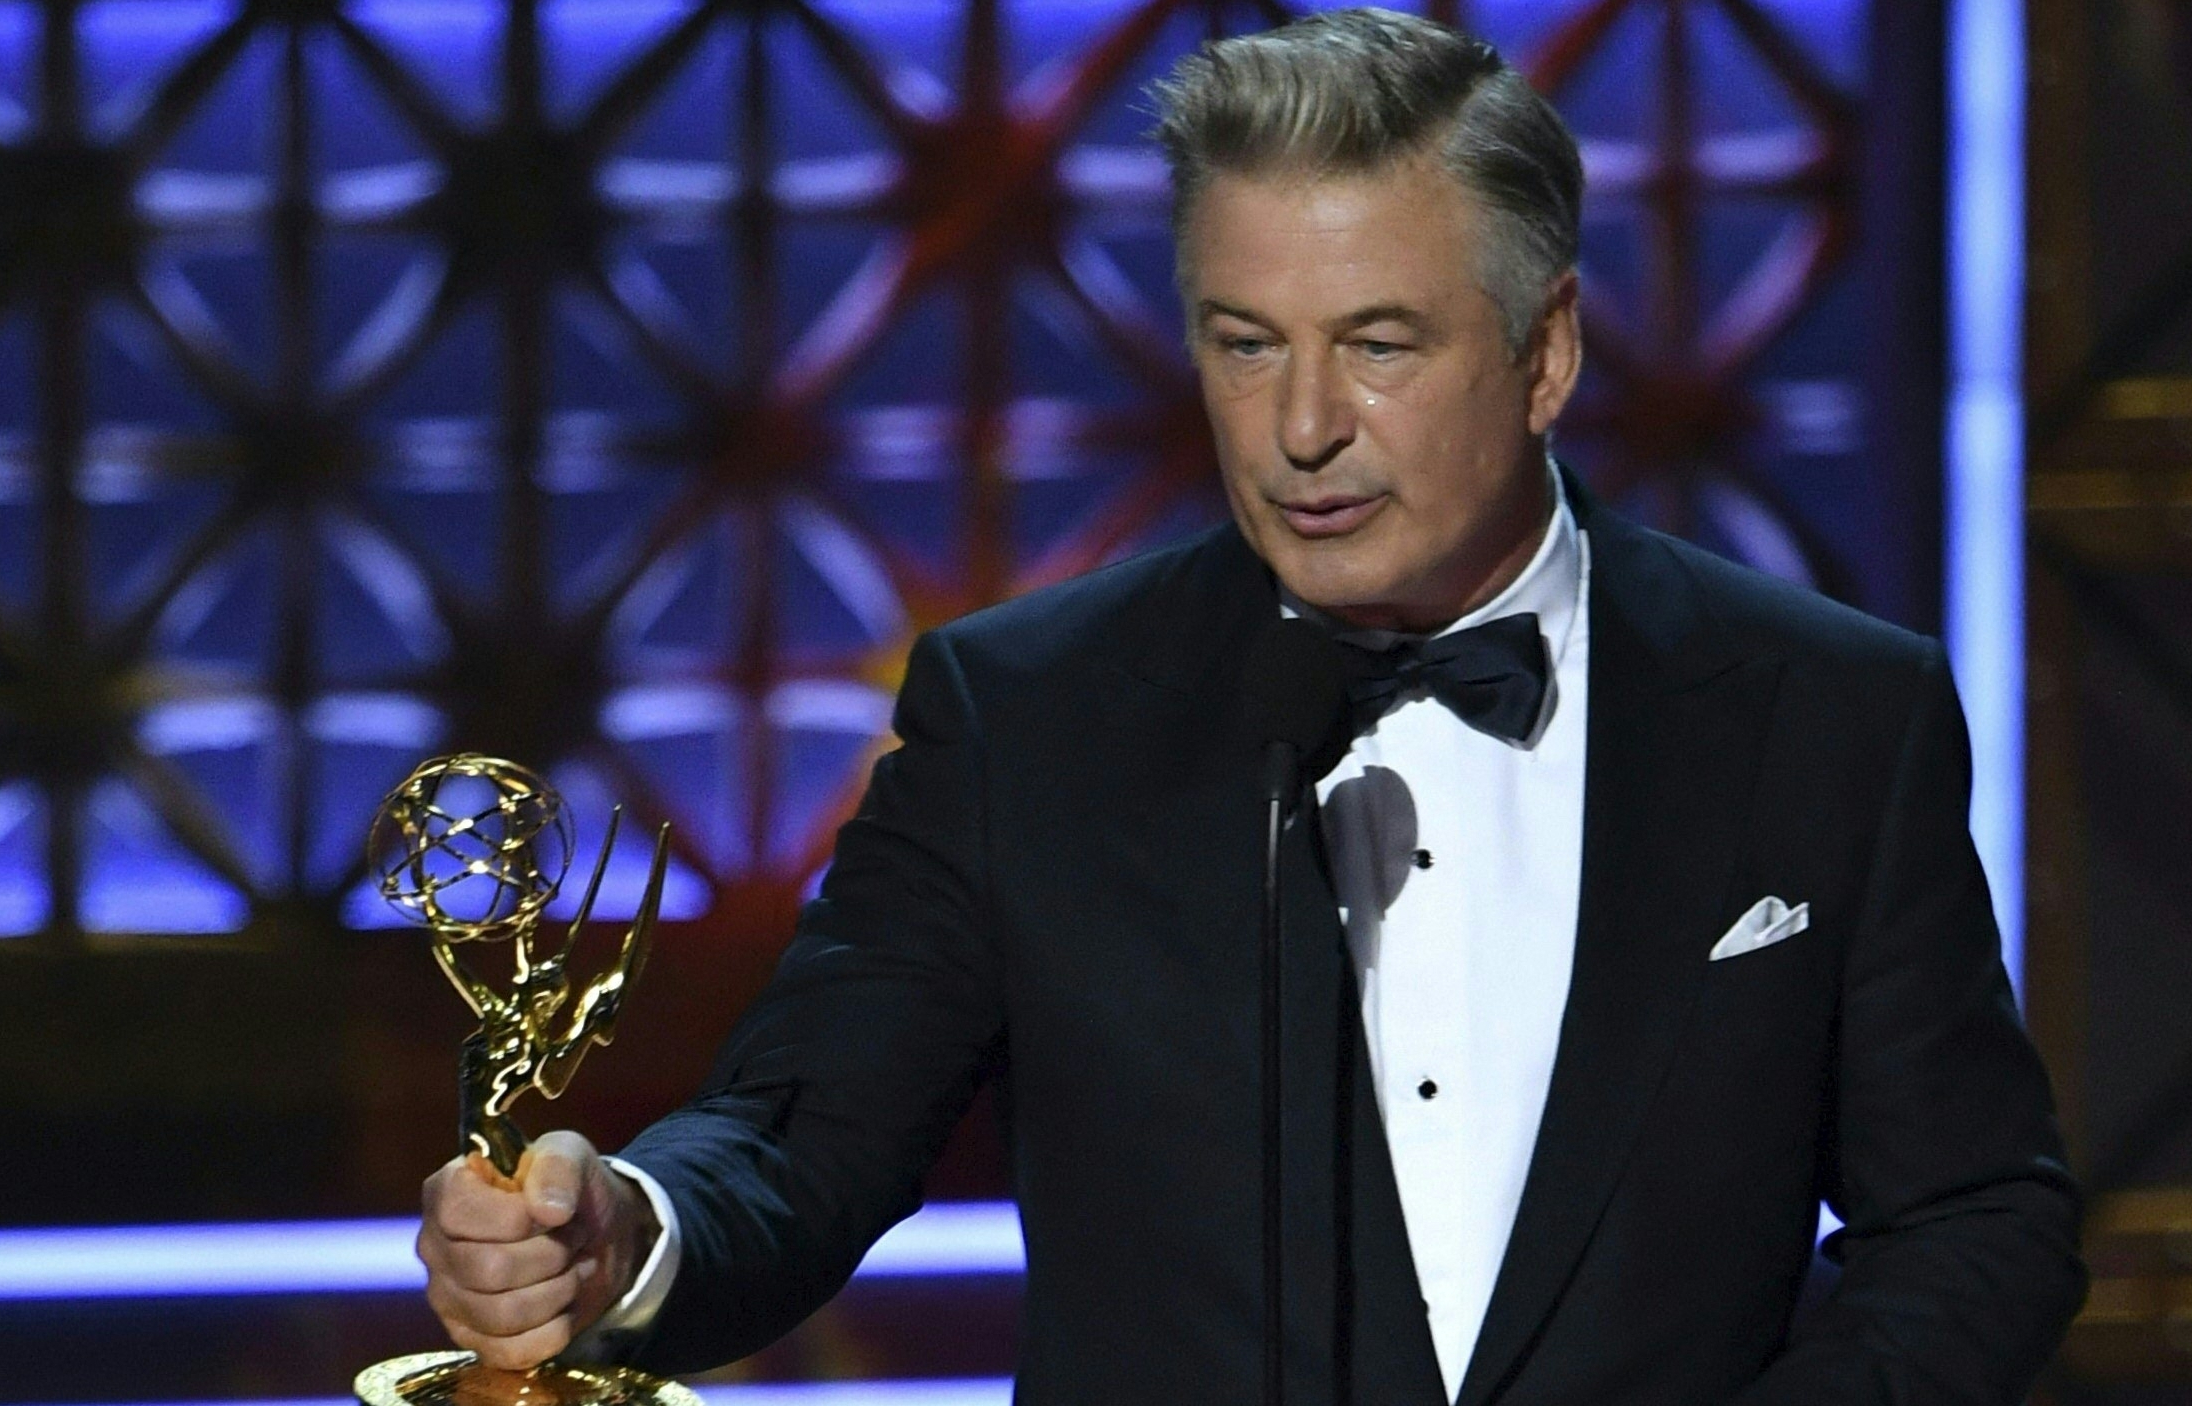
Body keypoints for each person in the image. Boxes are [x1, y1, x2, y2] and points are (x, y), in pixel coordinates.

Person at [414, 9, 2087, 1402]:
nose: (1299, 428)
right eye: (1242, 343)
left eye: (1377, 344)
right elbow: (803, 1135)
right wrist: (625, 1230)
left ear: (1547, 350)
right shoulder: (1031, 715)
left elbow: (1973, 1218)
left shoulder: (1823, 712)